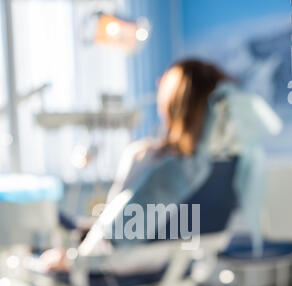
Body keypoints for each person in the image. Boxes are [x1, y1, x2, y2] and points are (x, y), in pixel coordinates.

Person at [41, 59, 280, 272]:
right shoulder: (236, 164)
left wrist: (73, 259)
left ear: (173, 104)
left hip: (119, 264)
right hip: (185, 265)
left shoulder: (148, 157)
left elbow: (115, 232)